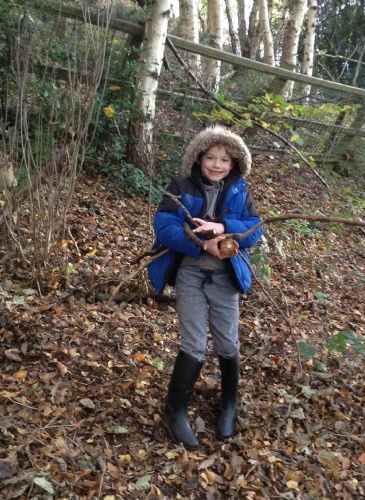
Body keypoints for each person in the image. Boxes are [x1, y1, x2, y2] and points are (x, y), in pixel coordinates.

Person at [148, 125, 263, 450]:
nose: (217, 164)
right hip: (190, 275)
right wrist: (202, 244)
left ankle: (229, 404)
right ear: (199, 158)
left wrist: (223, 226)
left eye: (224, 159)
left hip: (225, 277)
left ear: (234, 163)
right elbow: (165, 226)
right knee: (194, 342)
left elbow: (254, 229)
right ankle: (174, 412)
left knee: (227, 341)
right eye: (211, 157)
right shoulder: (181, 187)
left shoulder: (239, 191)